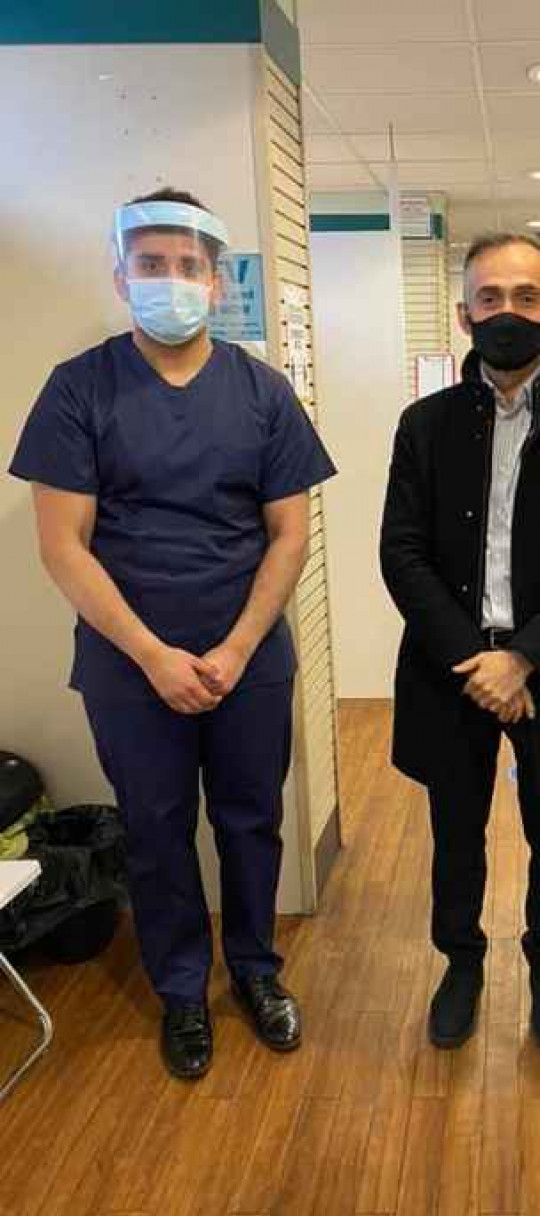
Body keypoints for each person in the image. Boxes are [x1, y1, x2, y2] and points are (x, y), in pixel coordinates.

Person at [9, 188, 337, 1079]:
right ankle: (182, 992)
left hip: (250, 659)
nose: (170, 281)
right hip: (128, 667)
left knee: (251, 822)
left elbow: (290, 534)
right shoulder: (80, 389)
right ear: (121, 274)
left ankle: (258, 973)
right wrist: (154, 656)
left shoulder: (262, 393)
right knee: (156, 830)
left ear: (217, 280)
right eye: (151, 264)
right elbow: (63, 547)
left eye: (189, 266)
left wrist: (233, 650)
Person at [380, 233, 540, 1054]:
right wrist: (476, 661)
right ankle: (461, 963)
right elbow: (402, 552)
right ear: (464, 314)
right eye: (490, 298)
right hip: (450, 666)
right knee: (456, 830)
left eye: (526, 298)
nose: (507, 313)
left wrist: (521, 658)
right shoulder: (424, 425)